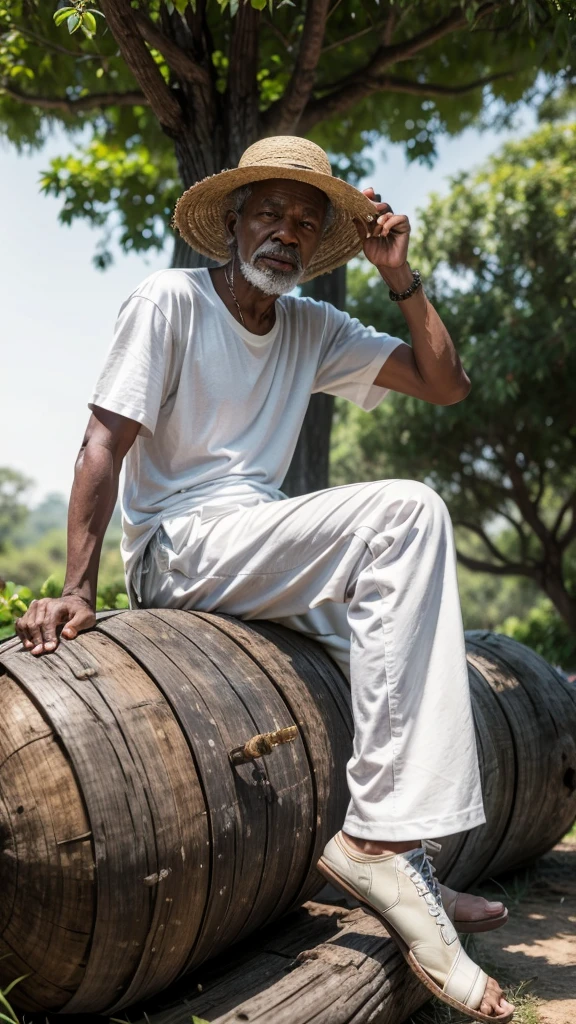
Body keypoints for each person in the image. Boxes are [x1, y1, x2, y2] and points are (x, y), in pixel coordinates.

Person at [16, 136, 514, 1022]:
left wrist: (401, 276)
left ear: (318, 243)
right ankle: (374, 845)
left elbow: (446, 384)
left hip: (258, 541)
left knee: (400, 640)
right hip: (181, 545)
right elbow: (103, 441)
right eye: (271, 214)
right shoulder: (170, 300)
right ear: (233, 224)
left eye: (305, 223)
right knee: (407, 512)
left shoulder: (313, 327)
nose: (286, 234)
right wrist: (80, 589)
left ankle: (413, 866)